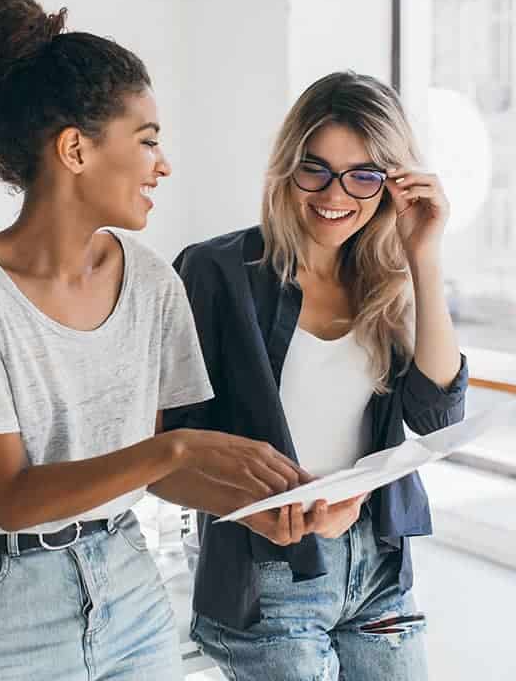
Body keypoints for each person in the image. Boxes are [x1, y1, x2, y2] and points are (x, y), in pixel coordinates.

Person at [0, 0, 328, 681]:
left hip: (127, 581)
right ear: (75, 149)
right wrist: (175, 446)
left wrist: (252, 509)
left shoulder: (154, 282)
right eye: (149, 140)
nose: (164, 164)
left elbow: (154, 475)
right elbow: (11, 496)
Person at [167, 71, 467, 680]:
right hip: (268, 570)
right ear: (287, 167)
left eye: (364, 175)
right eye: (317, 169)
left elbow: (436, 415)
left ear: (390, 184)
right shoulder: (215, 272)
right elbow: (168, 447)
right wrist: (260, 509)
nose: (336, 194)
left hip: (378, 569)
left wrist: (424, 256)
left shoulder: (388, 280)